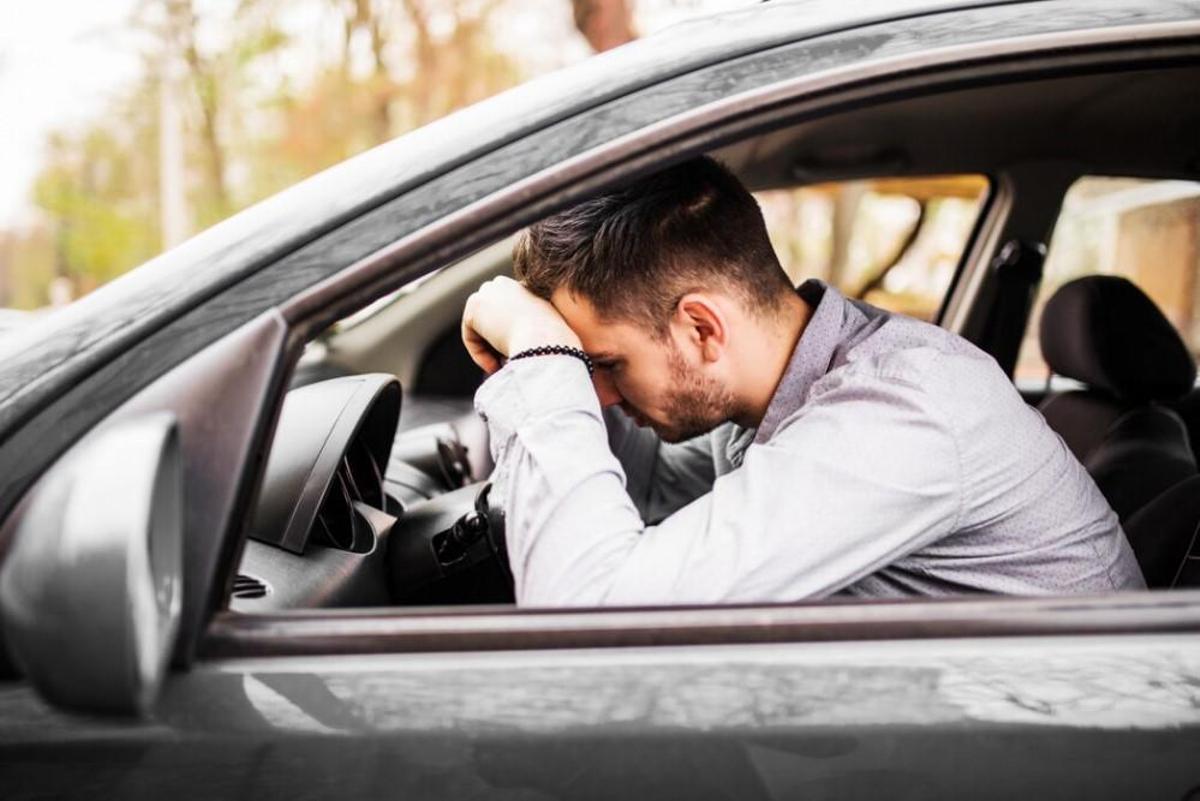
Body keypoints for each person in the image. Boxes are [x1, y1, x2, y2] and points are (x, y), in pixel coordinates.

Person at [460, 156, 1145, 606]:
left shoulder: (901, 411)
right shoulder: (783, 387)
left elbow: (584, 620)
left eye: (605, 365)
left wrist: (541, 362)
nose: (599, 393)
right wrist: (556, 358)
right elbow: (646, 489)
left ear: (702, 329)